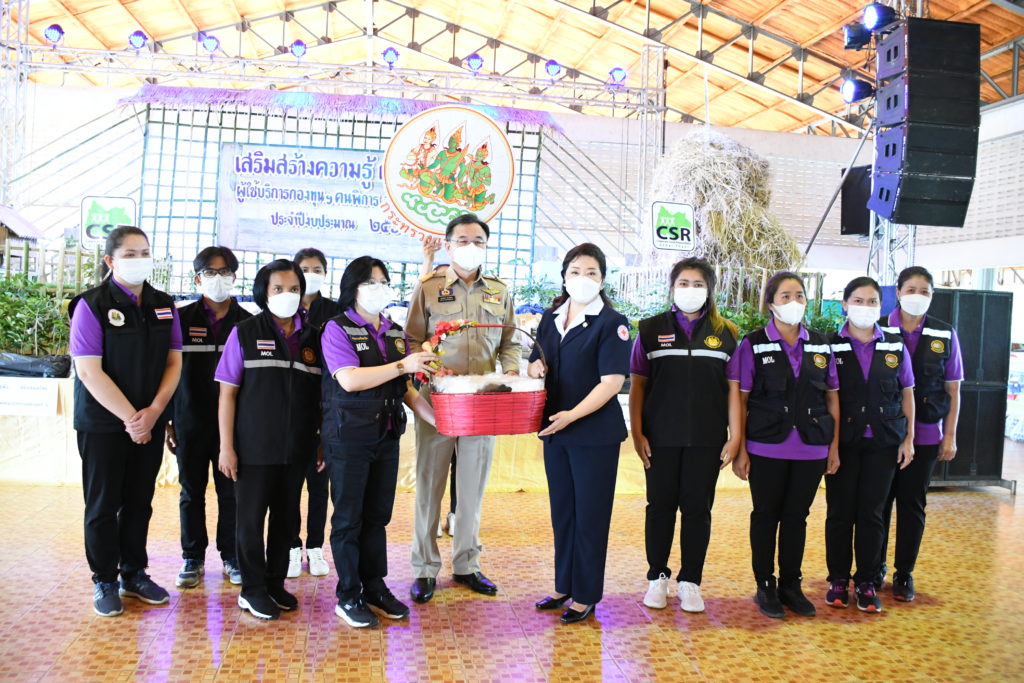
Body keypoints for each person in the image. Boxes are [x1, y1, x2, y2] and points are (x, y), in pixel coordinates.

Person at [407, 213, 521, 604]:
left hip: (483, 402)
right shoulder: (429, 287)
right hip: (437, 400)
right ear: (448, 245)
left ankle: (467, 564)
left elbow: (510, 342)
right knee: (429, 486)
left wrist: (510, 371)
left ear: (486, 246)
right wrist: (426, 365)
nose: (470, 247)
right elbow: (411, 339)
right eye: (462, 240)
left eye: (478, 241)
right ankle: (424, 568)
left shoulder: (499, 291)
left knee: (472, 488)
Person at [69, 226, 182, 617]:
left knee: (139, 501)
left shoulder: (163, 304)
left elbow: (174, 362)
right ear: (110, 260)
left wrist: (154, 412)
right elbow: (89, 371)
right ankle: (104, 578)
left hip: (149, 420)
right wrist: (133, 419)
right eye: (130, 254)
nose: (139, 260)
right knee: (103, 503)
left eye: (144, 252)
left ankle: (133, 573)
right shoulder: (91, 305)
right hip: (103, 424)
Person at [321, 256, 438, 627]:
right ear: (353, 288)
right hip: (349, 437)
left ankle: (374, 586)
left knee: (377, 517)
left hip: (386, 434)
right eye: (370, 282)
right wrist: (404, 365)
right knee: (348, 519)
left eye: (384, 282)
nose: (379, 289)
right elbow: (350, 379)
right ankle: (348, 594)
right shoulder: (337, 328)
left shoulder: (393, 331)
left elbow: (404, 388)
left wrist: (437, 419)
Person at [629, 257, 741, 614]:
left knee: (697, 509)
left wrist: (735, 437)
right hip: (660, 438)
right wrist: (637, 432)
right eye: (683, 283)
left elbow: (734, 390)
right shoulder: (650, 329)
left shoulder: (728, 333)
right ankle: (657, 577)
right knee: (660, 507)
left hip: (707, 439)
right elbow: (638, 385)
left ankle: (691, 581)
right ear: (672, 287)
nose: (690, 290)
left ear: (709, 290)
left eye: (698, 284)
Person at [528, 243, 631, 624]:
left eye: (591, 272)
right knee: (564, 513)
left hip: (593, 434)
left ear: (602, 280)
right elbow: (536, 361)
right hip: (555, 430)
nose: (582, 278)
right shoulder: (551, 318)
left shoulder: (612, 323)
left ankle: (585, 594)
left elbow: (612, 382)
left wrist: (572, 415)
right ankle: (563, 585)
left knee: (590, 515)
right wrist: (534, 368)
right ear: (564, 276)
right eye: (575, 271)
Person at [215, 259, 323, 620]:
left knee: (286, 519)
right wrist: (226, 447)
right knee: (250, 520)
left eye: (294, 289)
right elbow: (227, 393)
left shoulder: (314, 337)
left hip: (297, 448)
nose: (287, 295)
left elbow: (321, 397)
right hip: (253, 448)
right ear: (264, 292)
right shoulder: (245, 332)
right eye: (278, 288)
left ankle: (275, 583)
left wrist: (320, 441)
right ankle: (252, 589)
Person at [730, 272, 840, 619]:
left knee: (797, 517)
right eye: (785, 296)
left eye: (800, 295)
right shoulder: (753, 343)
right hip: (765, 447)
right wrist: (740, 450)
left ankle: (791, 584)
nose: (794, 302)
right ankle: (765, 584)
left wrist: (834, 448)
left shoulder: (821, 344)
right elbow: (740, 399)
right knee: (765, 516)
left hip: (812, 447)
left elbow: (832, 398)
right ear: (771, 303)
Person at [825, 276, 915, 614]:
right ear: (845, 305)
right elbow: (827, 397)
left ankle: (866, 580)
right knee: (840, 512)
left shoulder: (895, 345)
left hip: (883, 442)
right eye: (858, 301)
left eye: (872, 301)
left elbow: (907, 392)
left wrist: (908, 439)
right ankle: (837, 579)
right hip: (843, 444)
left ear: (882, 306)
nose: (865, 307)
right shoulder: (829, 344)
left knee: (873, 514)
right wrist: (831, 447)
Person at [876, 266, 962, 601]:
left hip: (926, 434)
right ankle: (875, 567)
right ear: (898, 293)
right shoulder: (879, 328)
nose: (917, 296)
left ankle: (904, 573)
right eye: (911, 290)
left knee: (912, 505)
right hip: (883, 433)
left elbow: (953, 389)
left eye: (924, 291)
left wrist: (949, 435)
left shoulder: (945, 333)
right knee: (879, 504)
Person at [168, 246, 251, 589]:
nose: (218, 278)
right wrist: (168, 420)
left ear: (234, 276)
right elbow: (167, 371)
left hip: (233, 426)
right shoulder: (180, 319)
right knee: (191, 491)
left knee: (231, 492)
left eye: (225, 272)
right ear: (197, 278)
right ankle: (192, 557)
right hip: (189, 420)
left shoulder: (247, 322)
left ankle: (231, 556)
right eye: (210, 272)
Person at [287, 248, 340, 579]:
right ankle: (292, 547)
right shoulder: (283, 310)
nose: (311, 274)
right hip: (290, 412)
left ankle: (317, 547)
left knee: (320, 485)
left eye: (317, 269)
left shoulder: (334, 311)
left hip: (326, 407)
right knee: (290, 487)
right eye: (304, 269)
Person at [420, 237, 458, 539]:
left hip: (469, 395)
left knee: (464, 462)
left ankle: (456, 515)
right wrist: (428, 261)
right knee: (433, 465)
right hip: (434, 391)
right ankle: (429, 524)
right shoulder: (428, 295)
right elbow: (413, 333)